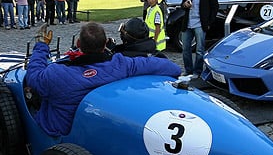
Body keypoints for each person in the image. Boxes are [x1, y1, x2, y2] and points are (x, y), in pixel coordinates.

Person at [26, 22, 181, 136]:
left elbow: (33, 76)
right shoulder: (121, 64)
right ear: (105, 44)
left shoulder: (57, 73)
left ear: (78, 44)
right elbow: (172, 68)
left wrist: (41, 46)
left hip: (62, 130)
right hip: (97, 127)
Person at [180, 0, 218, 77]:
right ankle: (188, 70)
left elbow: (214, 7)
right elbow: (182, 5)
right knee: (185, 49)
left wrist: (209, 23)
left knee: (199, 50)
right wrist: (185, 5)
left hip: (200, 23)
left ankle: (197, 71)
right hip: (188, 23)